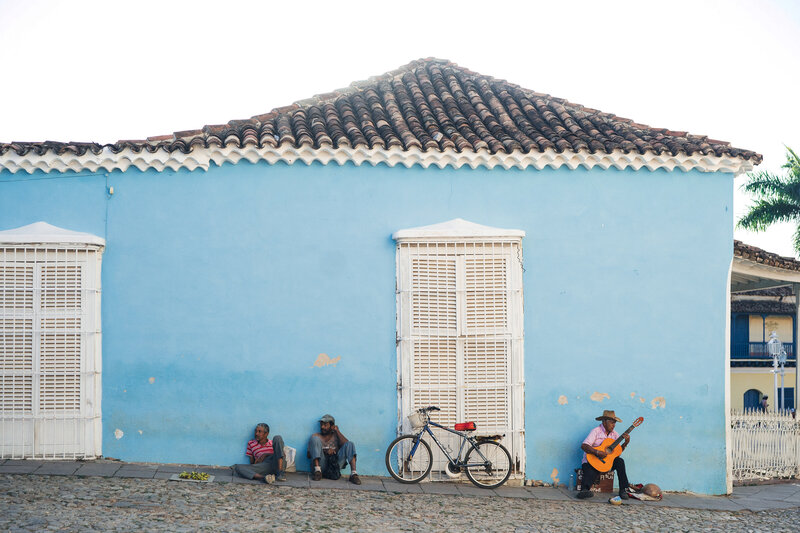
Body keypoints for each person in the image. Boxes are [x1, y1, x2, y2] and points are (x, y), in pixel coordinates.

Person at [576, 410, 631, 500]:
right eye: (612, 423)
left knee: (620, 461)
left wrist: (625, 443)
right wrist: (597, 452)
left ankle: (623, 490)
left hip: (606, 463)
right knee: (590, 469)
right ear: (604, 422)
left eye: (615, 423)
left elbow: (618, 452)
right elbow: (584, 446)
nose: (614, 425)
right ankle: (584, 490)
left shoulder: (615, 434)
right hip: (592, 461)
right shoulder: (596, 431)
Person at [307, 414, 360, 485]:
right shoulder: (316, 436)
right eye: (321, 425)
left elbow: (347, 445)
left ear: (332, 426)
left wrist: (337, 431)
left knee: (350, 444)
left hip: (334, 466)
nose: (322, 427)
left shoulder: (336, 436)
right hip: (321, 465)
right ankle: (317, 472)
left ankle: (354, 474)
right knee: (315, 439)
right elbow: (308, 455)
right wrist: (325, 451)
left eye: (325, 425)